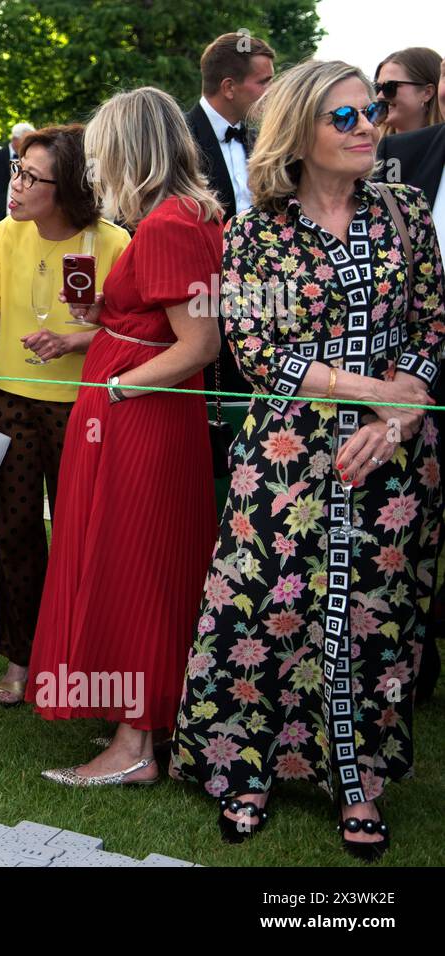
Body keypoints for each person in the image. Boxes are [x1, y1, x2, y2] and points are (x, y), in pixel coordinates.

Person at [169, 61, 443, 861]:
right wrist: (381, 390)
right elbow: (257, 352)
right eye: (346, 118)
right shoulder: (256, 231)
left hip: (393, 462)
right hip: (287, 457)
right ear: (299, 134)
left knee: (377, 616)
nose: (368, 128)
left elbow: (432, 323)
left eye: (371, 113)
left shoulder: (407, 211)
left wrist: (402, 408)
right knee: (261, 607)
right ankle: (246, 768)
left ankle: (357, 781)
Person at [29, 87, 223, 786]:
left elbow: (198, 344)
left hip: (139, 421)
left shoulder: (171, 224)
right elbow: (150, 324)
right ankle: (139, 729)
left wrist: (117, 387)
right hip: (139, 414)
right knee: (138, 560)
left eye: (105, 151)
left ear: (130, 150)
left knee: (134, 565)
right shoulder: (180, 216)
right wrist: (82, 338)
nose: (96, 167)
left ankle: (135, 744)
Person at [0, 124, 131, 706]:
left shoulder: (113, 243)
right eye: (17, 170)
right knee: (16, 534)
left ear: (67, 188)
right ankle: (21, 657)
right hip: (11, 398)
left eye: (32, 177)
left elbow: (129, 331)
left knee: (81, 534)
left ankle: (81, 657)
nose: (16, 185)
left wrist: (74, 340)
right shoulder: (7, 235)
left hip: (83, 407)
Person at [376, 57, 445, 704]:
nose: (373, 111)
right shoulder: (403, 157)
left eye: (386, 94)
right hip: (401, 391)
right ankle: (411, 671)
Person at [186, 32, 276, 422]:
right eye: (264, 82)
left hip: (271, 298)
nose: (271, 92)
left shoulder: (265, 138)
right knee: (212, 418)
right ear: (229, 87)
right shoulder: (179, 140)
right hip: (201, 300)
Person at [374, 47, 442, 136]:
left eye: (389, 87)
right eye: (377, 88)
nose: (380, 96)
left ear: (427, 93)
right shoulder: (371, 147)